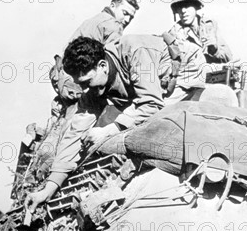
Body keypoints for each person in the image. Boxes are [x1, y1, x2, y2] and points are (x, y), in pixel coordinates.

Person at [25, 35, 175, 212]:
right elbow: (75, 133)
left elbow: (152, 104)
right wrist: (48, 189)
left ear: (102, 66)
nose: (85, 90)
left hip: (178, 82)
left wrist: (111, 129)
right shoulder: (92, 82)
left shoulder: (136, 52)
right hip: (146, 97)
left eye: (87, 82)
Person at [165, 0, 232, 101]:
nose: (183, 11)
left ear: (196, 6)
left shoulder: (209, 26)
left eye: (187, 5)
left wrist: (214, 50)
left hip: (216, 83)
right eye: (179, 7)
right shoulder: (174, 34)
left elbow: (228, 57)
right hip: (190, 88)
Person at [69, 0, 139, 45]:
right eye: (125, 13)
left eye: (131, 18)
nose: (127, 20)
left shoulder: (90, 21)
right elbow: (113, 59)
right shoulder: (114, 25)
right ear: (112, 6)